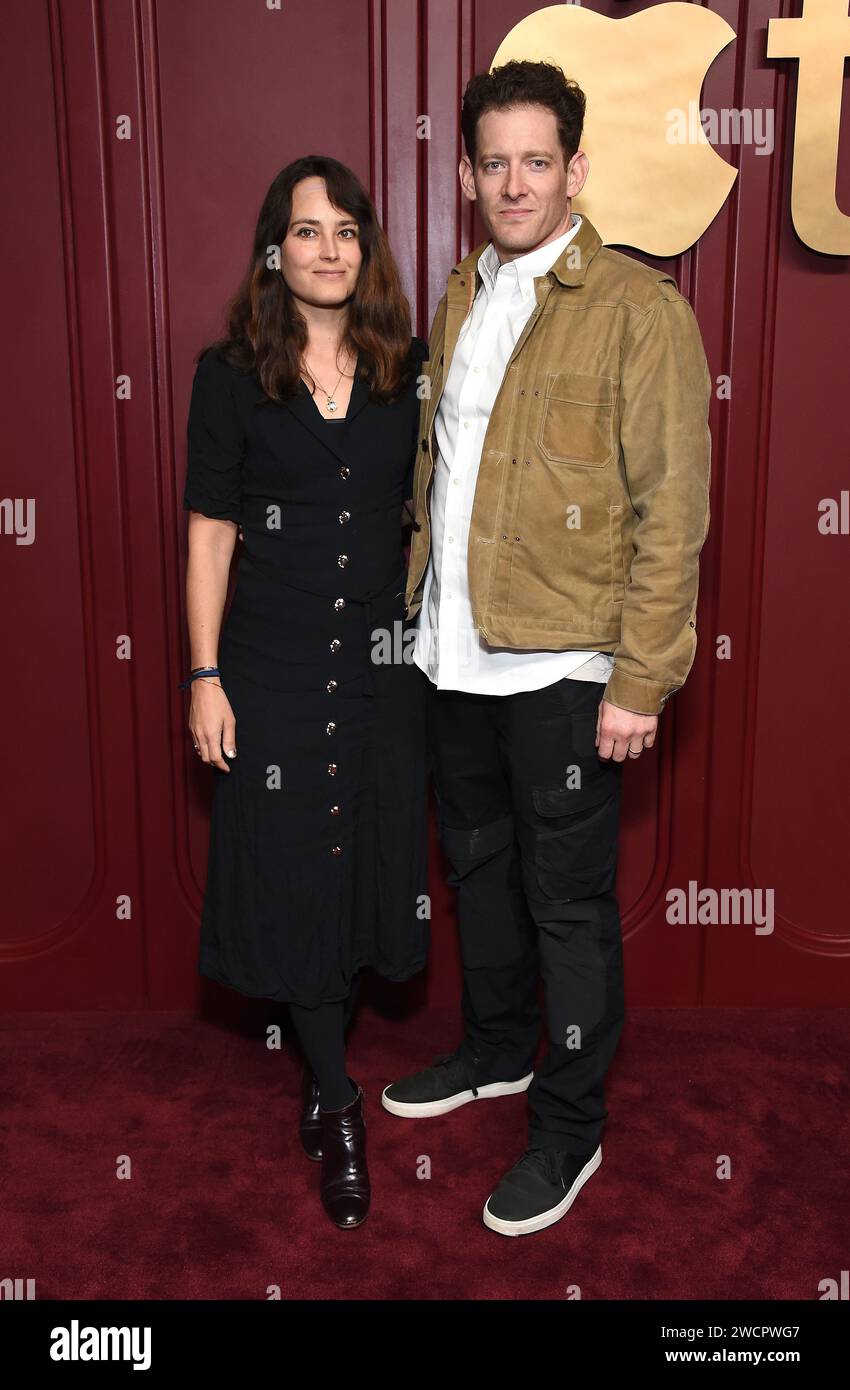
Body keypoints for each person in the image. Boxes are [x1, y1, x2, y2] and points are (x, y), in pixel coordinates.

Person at [382, 61, 712, 1236]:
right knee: (476, 872)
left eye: (535, 160)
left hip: (566, 668)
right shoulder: (463, 293)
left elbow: (671, 514)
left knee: (565, 900)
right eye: (491, 161)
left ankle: (569, 1125)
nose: (511, 182)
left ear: (575, 169)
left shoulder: (639, 312)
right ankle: (493, 1049)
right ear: (468, 173)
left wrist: (640, 678)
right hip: (452, 659)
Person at [182, 155, 429, 1231]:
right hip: (270, 670)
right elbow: (210, 533)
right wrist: (204, 675)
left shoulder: (407, 370)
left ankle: (324, 1074)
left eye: (344, 230)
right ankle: (337, 1100)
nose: (326, 248)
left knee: (359, 870)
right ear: (272, 252)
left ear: (365, 247)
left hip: (380, 676)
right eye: (304, 230)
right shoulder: (230, 375)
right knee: (293, 874)